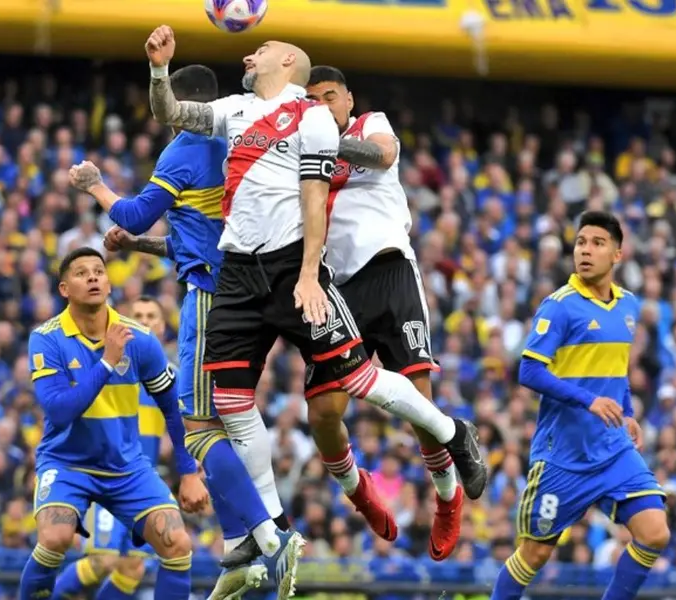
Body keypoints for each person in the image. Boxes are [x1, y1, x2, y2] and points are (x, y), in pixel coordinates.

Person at [143, 24, 486, 573]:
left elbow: (322, 187)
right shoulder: (235, 109)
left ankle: (451, 446)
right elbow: (172, 114)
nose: (249, 53)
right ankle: (275, 526)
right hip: (241, 270)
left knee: (376, 385)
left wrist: (306, 271)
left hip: (334, 267)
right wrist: (160, 69)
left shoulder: (321, 117)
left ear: (287, 65)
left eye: (263, 50)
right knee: (246, 404)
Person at [67, 64, 278, 598]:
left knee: (198, 423)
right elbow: (195, 234)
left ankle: (269, 531)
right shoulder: (239, 144)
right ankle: (241, 540)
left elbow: (137, 214)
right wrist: (140, 248)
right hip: (251, 293)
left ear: (179, 102)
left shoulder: (187, 146)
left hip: (210, 294)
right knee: (223, 421)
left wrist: (95, 186)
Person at [304, 65, 474, 561]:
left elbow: (383, 155)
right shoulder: (297, 153)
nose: (321, 106)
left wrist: (323, 140)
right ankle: (358, 489)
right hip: (335, 286)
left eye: (329, 97)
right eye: (311, 101)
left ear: (348, 99)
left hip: (389, 270)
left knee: (418, 401)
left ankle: (447, 497)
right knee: (324, 411)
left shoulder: (368, 124)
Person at [491, 211, 671, 600]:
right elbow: (528, 372)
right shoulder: (559, 306)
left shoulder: (629, 306)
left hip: (612, 448)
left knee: (655, 532)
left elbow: (616, 370)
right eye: (581, 242)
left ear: (617, 255)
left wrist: (628, 413)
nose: (585, 251)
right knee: (535, 553)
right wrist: (590, 402)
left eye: (597, 243)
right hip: (563, 456)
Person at [18, 247, 208, 600]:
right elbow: (59, 411)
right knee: (55, 539)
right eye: (81, 273)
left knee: (178, 544)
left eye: (98, 271)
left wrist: (188, 472)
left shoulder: (140, 340)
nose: (92, 277)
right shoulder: (46, 338)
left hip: (127, 468)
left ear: (108, 285)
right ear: (64, 289)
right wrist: (107, 362)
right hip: (67, 463)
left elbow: (171, 407)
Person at [54, 296, 197, 600]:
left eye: (152, 315)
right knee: (101, 560)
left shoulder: (172, 377)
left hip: (142, 483)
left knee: (133, 567)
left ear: (162, 327)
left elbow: (186, 426)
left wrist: (192, 470)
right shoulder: (105, 369)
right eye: (138, 315)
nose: (144, 321)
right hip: (104, 476)